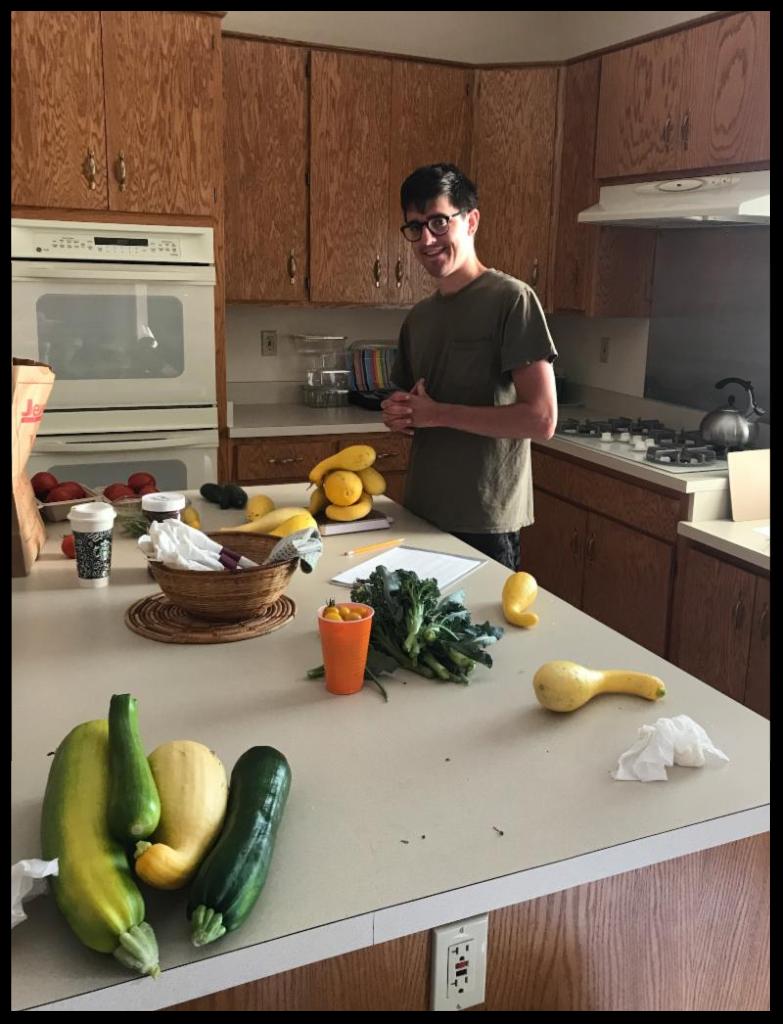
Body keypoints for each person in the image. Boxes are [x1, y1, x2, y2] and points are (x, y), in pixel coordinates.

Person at [381, 163, 558, 571]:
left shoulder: (512, 300)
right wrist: (399, 413)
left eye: (439, 222)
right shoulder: (419, 317)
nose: (427, 239)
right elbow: (412, 405)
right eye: (415, 227)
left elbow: (542, 419)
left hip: (485, 521)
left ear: (471, 220)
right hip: (422, 512)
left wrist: (437, 414)